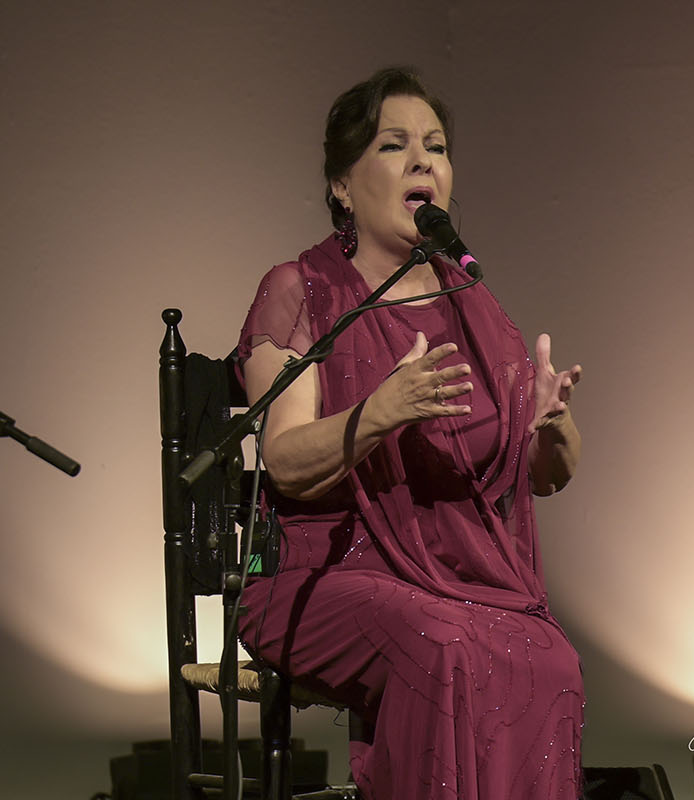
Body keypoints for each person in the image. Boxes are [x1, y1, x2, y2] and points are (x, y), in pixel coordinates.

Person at [235, 67, 584, 800]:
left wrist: (553, 426)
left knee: (550, 658)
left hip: (460, 582)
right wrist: (379, 413)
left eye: (437, 146)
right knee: (443, 644)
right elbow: (287, 461)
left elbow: (548, 474)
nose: (426, 161)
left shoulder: (476, 307)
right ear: (341, 185)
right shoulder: (304, 291)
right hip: (316, 578)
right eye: (396, 145)